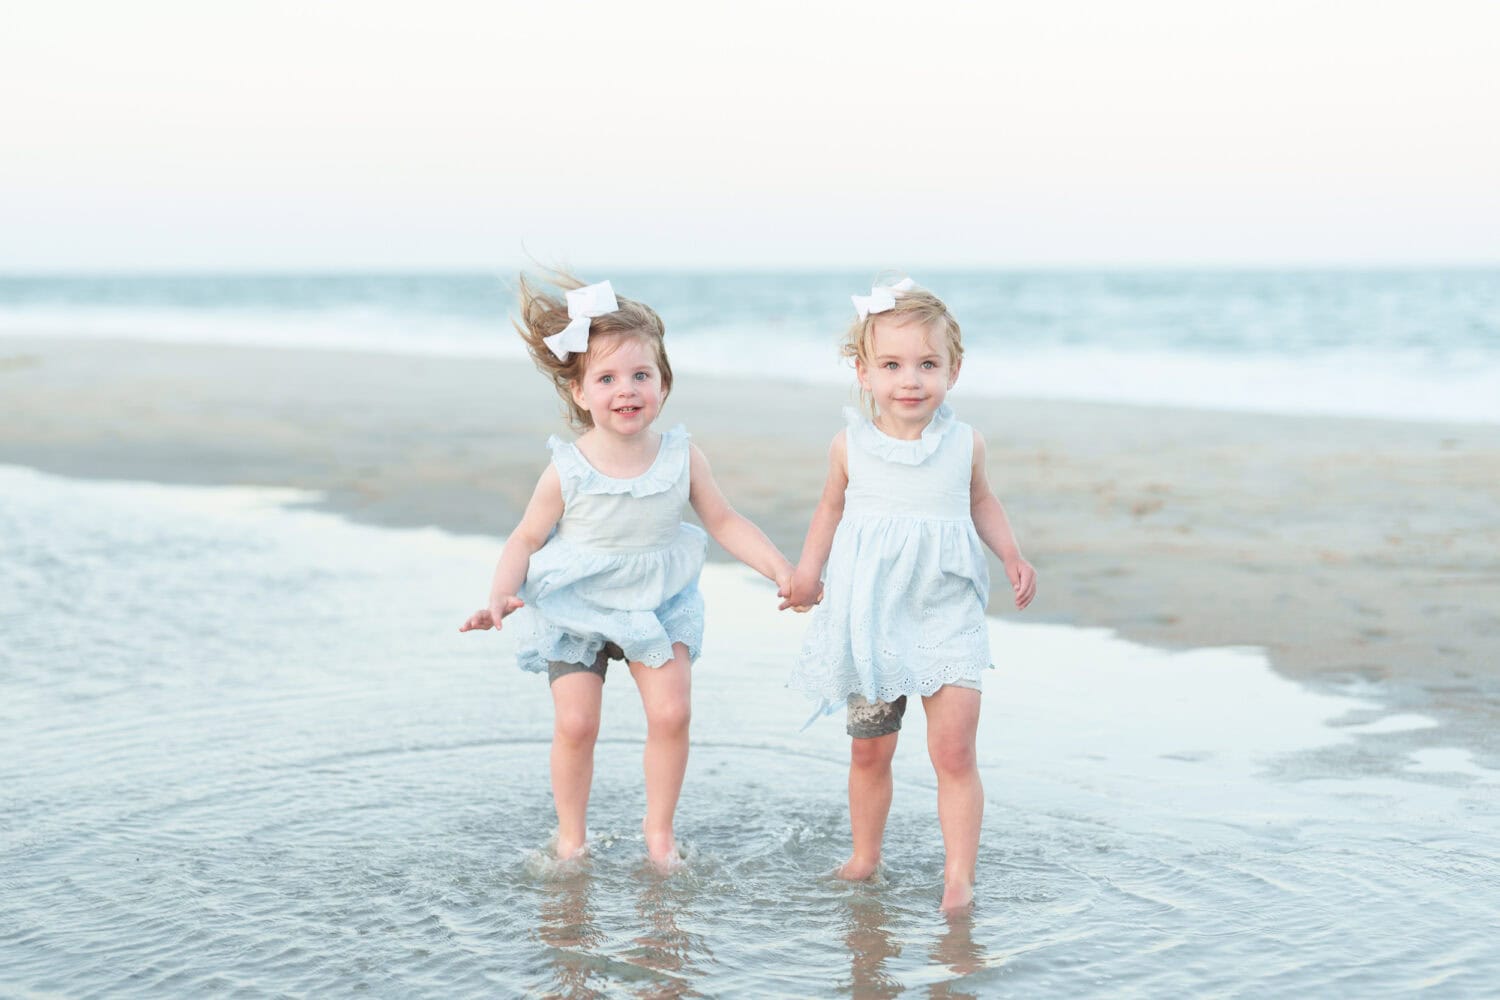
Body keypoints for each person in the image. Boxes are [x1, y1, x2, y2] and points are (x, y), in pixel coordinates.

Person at [461, 272, 798, 870]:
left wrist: (779, 568)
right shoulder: (568, 469)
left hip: (658, 602)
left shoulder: (681, 456)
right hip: (576, 606)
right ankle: (571, 837)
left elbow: (724, 521)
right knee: (577, 722)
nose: (627, 390)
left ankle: (659, 835)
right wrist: (499, 595)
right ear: (580, 392)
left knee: (672, 713)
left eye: (642, 375)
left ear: (664, 385)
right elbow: (525, 536)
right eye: (608, 378)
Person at [779, 276, 1037, 911]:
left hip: (947, 613)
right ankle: (866, 856)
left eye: (928, 364)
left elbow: (983, 502)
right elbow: (828, 510)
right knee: (871, 753)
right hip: (870, 620)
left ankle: (958, 877)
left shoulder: (965, 443)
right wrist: (808, 575)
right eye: (892, 365)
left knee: (954, 750)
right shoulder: (850, 445)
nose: (911, 380)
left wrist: (1011, 552)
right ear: (863, 372)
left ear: (954, 369)